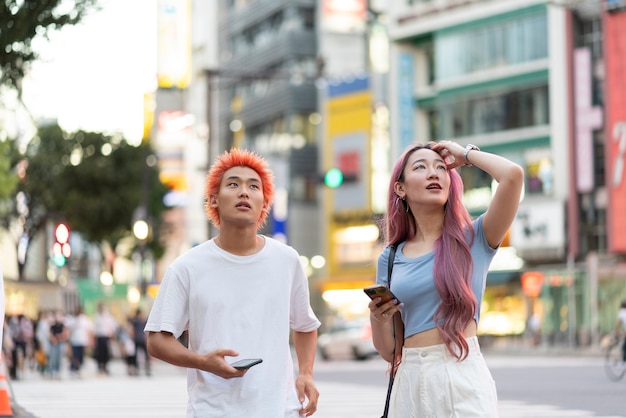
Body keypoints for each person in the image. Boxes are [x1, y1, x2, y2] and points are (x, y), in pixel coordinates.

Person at [145, 148, 321, 418]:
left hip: (279, 408)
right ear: (213, 200)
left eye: (254, 186)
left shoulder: (287, 260)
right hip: (213, 410)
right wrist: (204, 362)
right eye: (233, 184)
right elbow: (157, 340)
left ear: (264, 203)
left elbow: (305, 326)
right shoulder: (187, 267)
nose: (244, 192)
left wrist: (306, 373)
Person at [369, 141, 524, 417]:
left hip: (460, 370)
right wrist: (377, 317)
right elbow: (390, 350)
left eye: (441, 168)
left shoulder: (475, 238)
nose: (434, 173)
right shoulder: (390, 257)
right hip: (410, 379)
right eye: (421, 167)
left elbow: (513, 175)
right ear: (400, 188)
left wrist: (465, 155)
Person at [66, 306, 94, 377]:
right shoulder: (73, 319)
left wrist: (90, 340)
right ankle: (73, 368)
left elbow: (88, 330)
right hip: (75, 341)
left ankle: (78, 369)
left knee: (80, 357)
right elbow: (69, 329)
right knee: (75, 356)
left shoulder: (85, 319)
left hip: (82, 341)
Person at [93, 303, 118, 375]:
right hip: (99, 336)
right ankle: (100, 365)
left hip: (106, 337)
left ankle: (105, 365)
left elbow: (113, 326)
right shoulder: (97, 317)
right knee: (99, 352)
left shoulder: (109, 317)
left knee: (106, 352)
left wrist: (112, 335)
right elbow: (95, 328)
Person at [130, 308, 150, 376]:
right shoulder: (135, 322)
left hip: (143, 340)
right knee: (135, 356)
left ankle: (147, 370)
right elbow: (132, 331)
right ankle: (136, 370)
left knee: (146, 356)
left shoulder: (144, 322)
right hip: (137, 340)